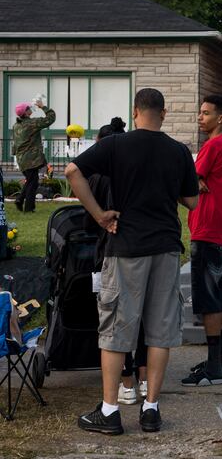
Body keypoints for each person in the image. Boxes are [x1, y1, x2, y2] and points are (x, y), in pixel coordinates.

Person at [66, 88, 198, 435]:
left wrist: (99, 215)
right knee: (159, 330)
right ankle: (151, 408)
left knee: (116, 329)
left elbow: (72, 172)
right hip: (166, 247)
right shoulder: (178, 151)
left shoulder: (116, 145)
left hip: (126, 246)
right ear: (164, 114)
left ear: (135, 111)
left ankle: (110, 411)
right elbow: (193, 202)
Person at [83, 117, 150, 405]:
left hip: (109, 252)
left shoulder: (97, 179)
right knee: (145, 320)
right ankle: (146, 381)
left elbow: (88, 223)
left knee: (115, 322)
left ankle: (126, 384)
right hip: (144, 247)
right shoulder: (136, 172)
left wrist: (100, 216)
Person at [181, 95, 222, 387]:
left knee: (210, 298)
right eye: (199, 112)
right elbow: (195, 181)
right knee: (216, 294)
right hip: (216, 230)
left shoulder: (214, 145)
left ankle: (215, 369)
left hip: (207, 230)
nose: (200, 117)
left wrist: (192, 182)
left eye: (205, 113)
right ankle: (215, 362)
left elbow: (188, 181)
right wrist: (195, 182)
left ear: (221, 118)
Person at [12, 96, 56, 212]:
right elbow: (51, 118)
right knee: (33, 183)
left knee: (31, 180)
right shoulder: (32, 123)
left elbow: (15, 143)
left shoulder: (16, 126)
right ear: (25, 113)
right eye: (28, 108)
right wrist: (43, 107)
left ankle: (20, 200)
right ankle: (28, 208)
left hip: (21, 159)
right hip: (31, 159)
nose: (30, 108)